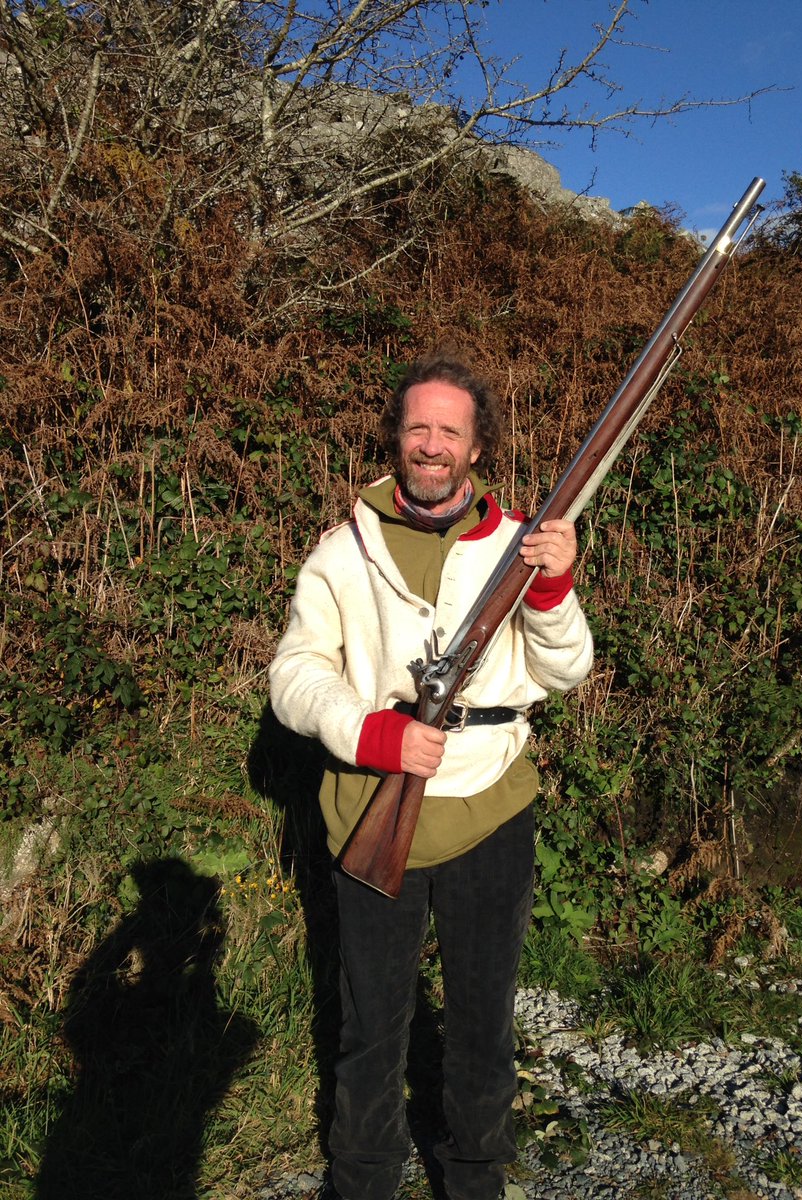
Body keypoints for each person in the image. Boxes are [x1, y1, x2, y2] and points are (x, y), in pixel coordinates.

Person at [269, 352, 593, 1200]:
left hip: (491, 809)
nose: (433, 443)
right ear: (397, 436)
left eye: (451, 429)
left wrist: (553, 588)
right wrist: (374, 736)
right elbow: (295, 677)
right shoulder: (342, 551)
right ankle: (364, 1179)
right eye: (419, 426)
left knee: (483, 1022)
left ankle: (476, 1177)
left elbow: (567, 673)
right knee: (372, 1025)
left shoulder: (524, 545)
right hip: (374, 802)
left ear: (476, 447)